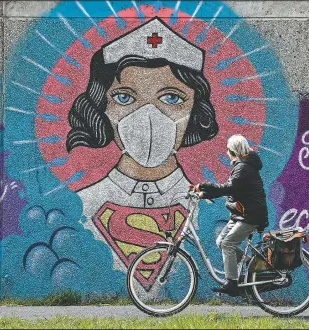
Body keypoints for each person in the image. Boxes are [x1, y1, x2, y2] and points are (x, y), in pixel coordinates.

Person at [66, 18, 218, 279]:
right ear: (101, 107)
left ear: (195, 111)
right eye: (124, 97)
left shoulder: (208, 209)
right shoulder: (81, 206)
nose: (148, 115)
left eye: (172, 98)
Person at [195, 134, 269, 296]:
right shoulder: (243, 165)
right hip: (242, 214)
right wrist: (205, 194)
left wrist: (204, 185)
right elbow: (230, 190)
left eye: (228, 150)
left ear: (233, 151)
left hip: (251, 216)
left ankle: (232, 283)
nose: (227, 153)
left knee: (228, 244)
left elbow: (228, 188)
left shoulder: (244, 168)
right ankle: (252, 264)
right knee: (221, 241)